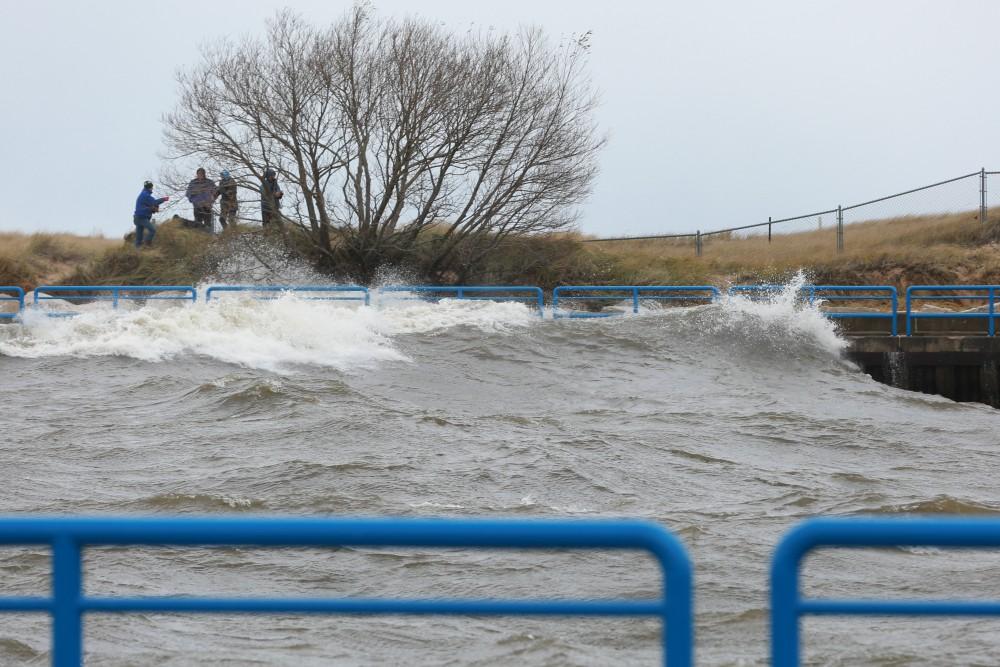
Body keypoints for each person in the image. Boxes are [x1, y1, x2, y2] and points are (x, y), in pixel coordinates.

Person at [133, 181, 169, 248]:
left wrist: (152, 209)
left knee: (139, 237)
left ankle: (137, 251)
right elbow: (155, 202)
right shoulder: (145, 195)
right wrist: (164, 199)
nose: (152, 189)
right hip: (142, 218)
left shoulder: (143, 194)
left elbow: (147, 206)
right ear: (150, 188)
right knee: (152, 230)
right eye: (152, 187)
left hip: (137, 218)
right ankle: (146, 245)